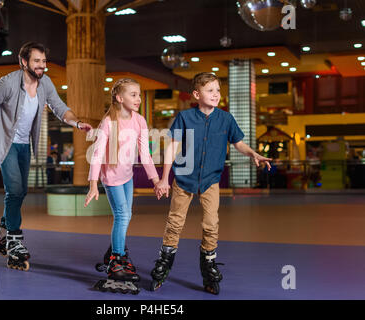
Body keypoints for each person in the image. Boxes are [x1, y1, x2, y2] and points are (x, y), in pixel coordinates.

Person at [0, 41, 91, 271]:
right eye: (37, 61)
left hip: (25, 144)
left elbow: (59, 106)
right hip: (5, 143)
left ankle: (2, 233)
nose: (42, 65)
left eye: (44, 61)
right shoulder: (7, 83)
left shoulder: (45, 83)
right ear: (23, 61)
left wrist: (76, 122)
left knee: (20, 191)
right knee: (14, 190)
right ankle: (14, 241)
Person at [150, 72, 272, 294]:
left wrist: (253, 153)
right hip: (184, 179)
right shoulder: (184, 117)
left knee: (211, 224)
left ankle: (208, 267)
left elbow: (239, 143)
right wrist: (164, 178)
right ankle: (164, 263)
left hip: (210, 181)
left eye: (217, 90)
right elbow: (171, 147)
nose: (216, 94)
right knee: (175, 222)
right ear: (197, 94)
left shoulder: (226, 119)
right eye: (210, 90)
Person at [84, 78, 162, 294]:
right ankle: (117, 260)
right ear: (120, 98)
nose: (138, 98)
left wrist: (155, 180)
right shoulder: (109, 121)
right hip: (111, 177)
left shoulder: (139, 121)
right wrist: (93, 185)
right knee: (122, 215)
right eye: (133, 94)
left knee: (128, 214)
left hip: (127, 176)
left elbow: (145, 154)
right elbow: (97, 155)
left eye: (139, 94)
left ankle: (114, 251)